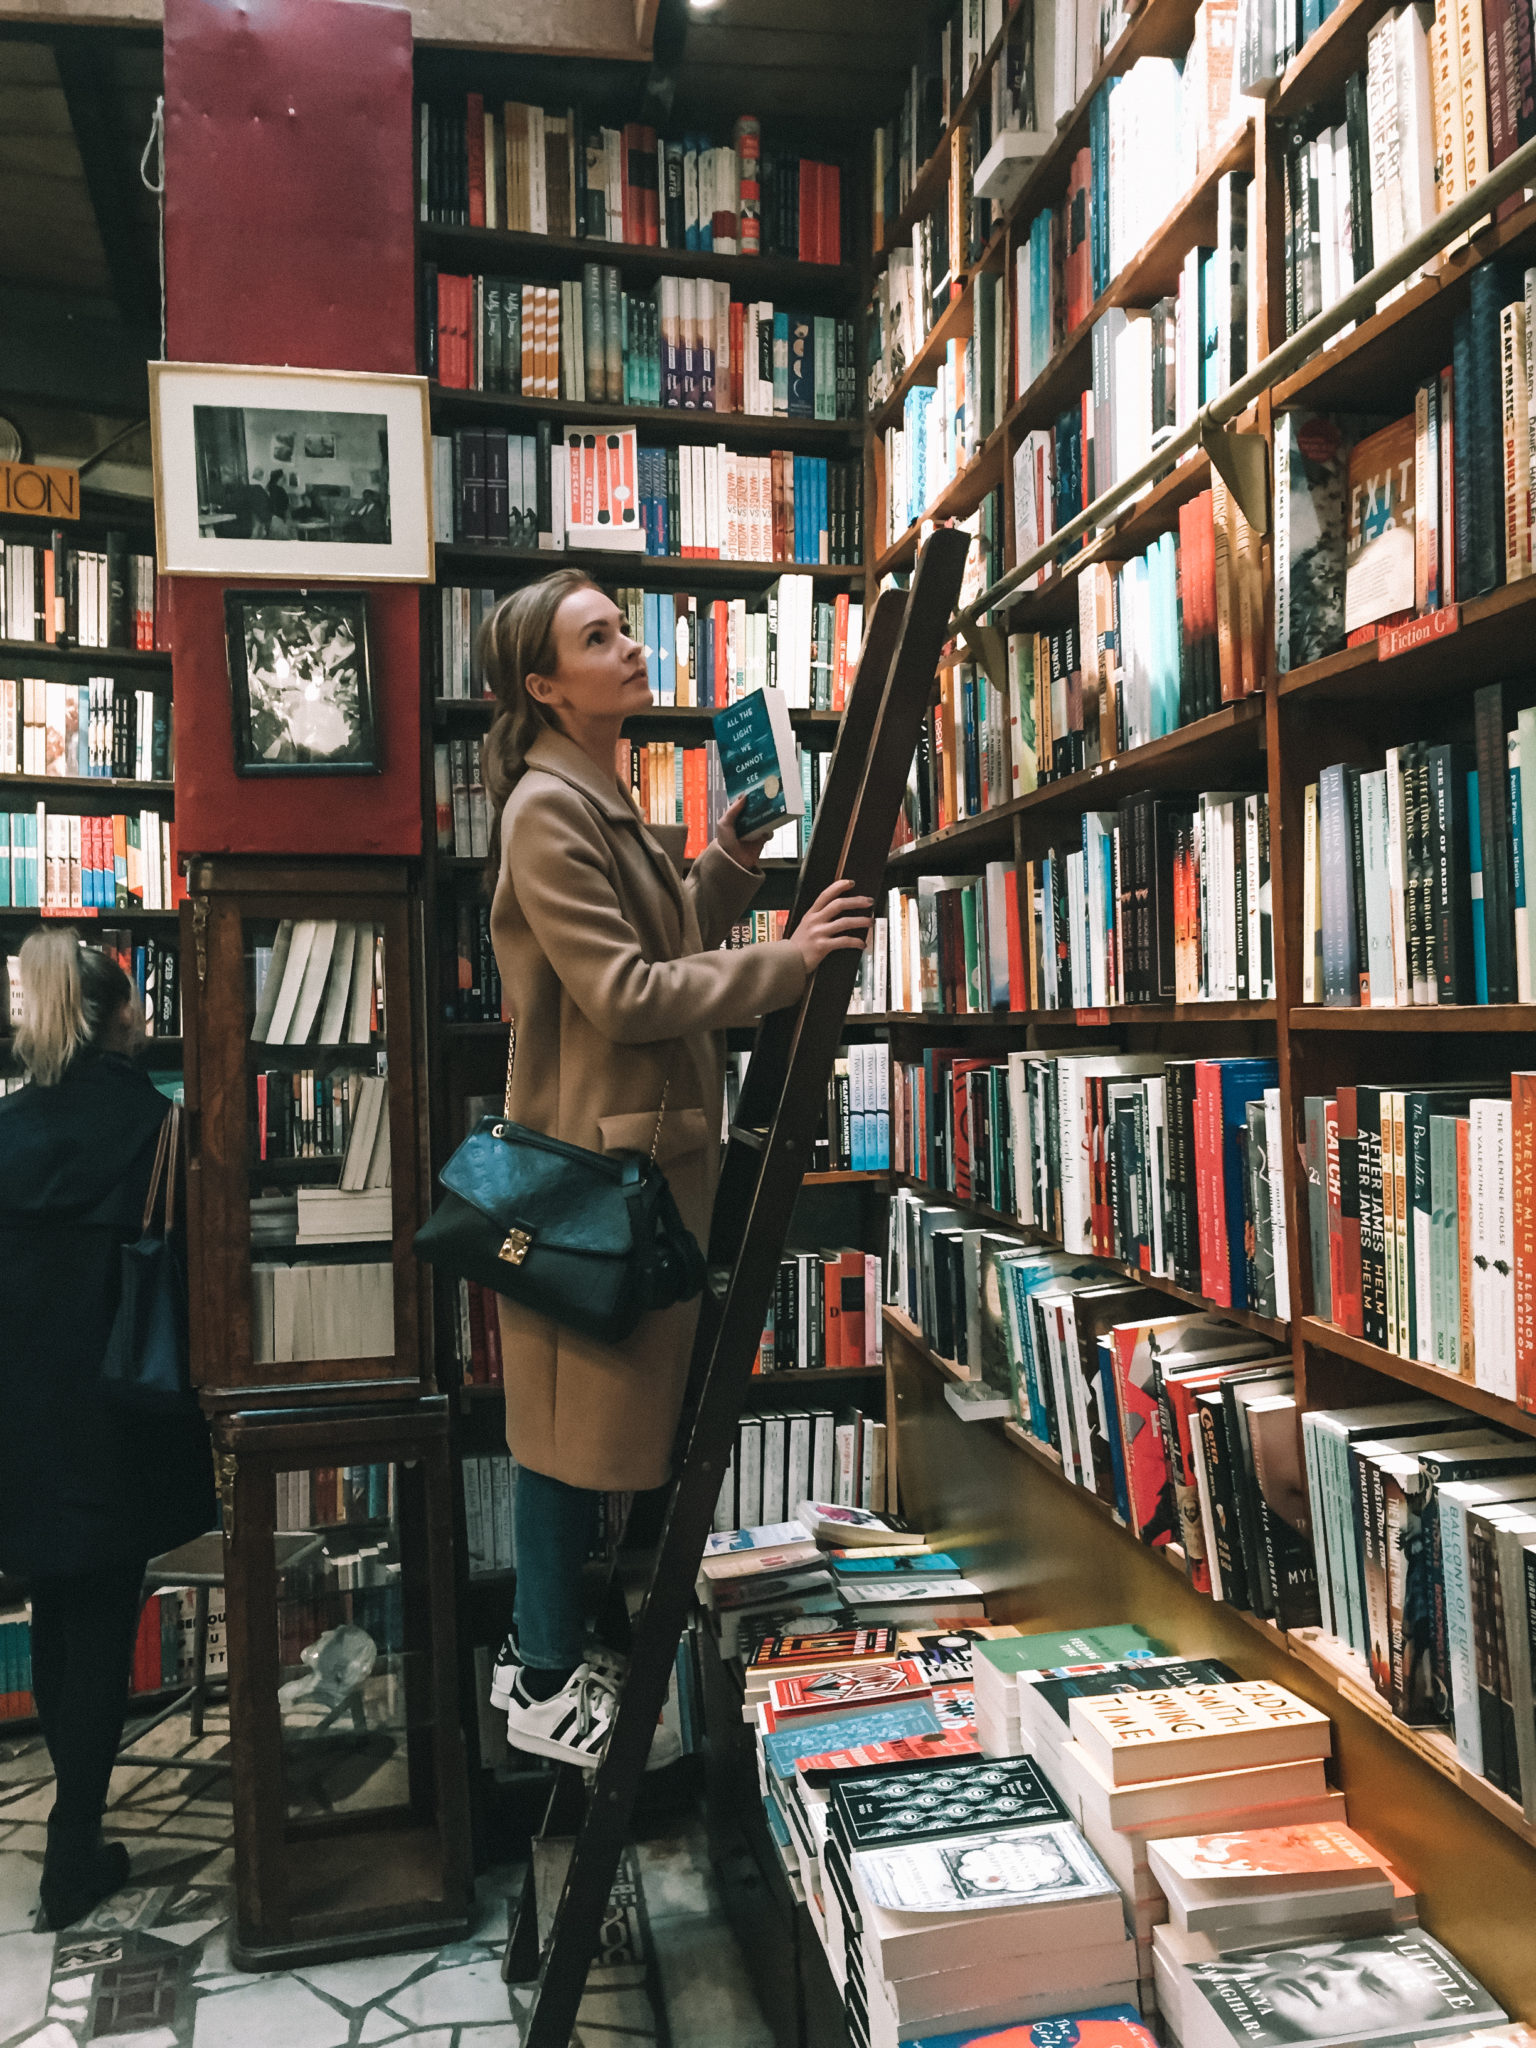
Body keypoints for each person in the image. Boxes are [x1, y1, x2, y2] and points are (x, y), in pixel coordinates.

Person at [478, 568, 870, 1766]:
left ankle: (553, 1654)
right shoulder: (547, 809)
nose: (632, 648)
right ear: (544, 684)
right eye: (599, 638)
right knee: (563, 1440)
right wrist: (789, 964)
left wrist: (729, 863)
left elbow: (663, 940)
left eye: (625, 627)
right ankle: (539, 1676)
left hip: (641, 1172)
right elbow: (626, 993)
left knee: (600, 1429)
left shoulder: (598, 796)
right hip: (598, 1180)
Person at [0, 931, 216, 1929]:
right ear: (116, 1017)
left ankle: (73, 1842)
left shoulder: (7, 1132)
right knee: (99, 1621)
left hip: (23, 1417)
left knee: (58, 1619)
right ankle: (71, 1852)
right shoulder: (158, 1126)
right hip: (118, 1410)